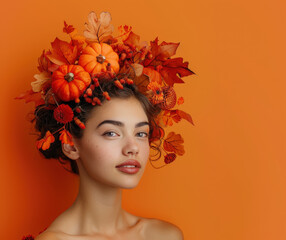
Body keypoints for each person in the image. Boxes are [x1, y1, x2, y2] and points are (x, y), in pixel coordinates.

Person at [18, 11, 194, 240]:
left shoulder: (164, 236)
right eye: (112, 132)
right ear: (71, 144)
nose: (133, 147)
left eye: (141, 133)